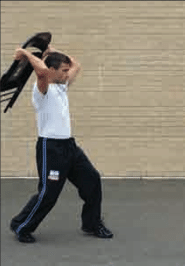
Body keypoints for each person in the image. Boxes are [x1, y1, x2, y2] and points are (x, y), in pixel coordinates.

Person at [10, 45, 113, 243]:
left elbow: (76, 64)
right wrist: (25, 53)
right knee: (49, 193)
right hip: (51, 149)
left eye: (67, 71)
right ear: (52, 70)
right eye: (63, 71)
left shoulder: (62, 85)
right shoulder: (42, 88)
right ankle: (21, 225)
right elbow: (40, 71)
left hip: (69, 147)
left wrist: (51, 49)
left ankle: (91, 224)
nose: (68, 73)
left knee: (92, 180)